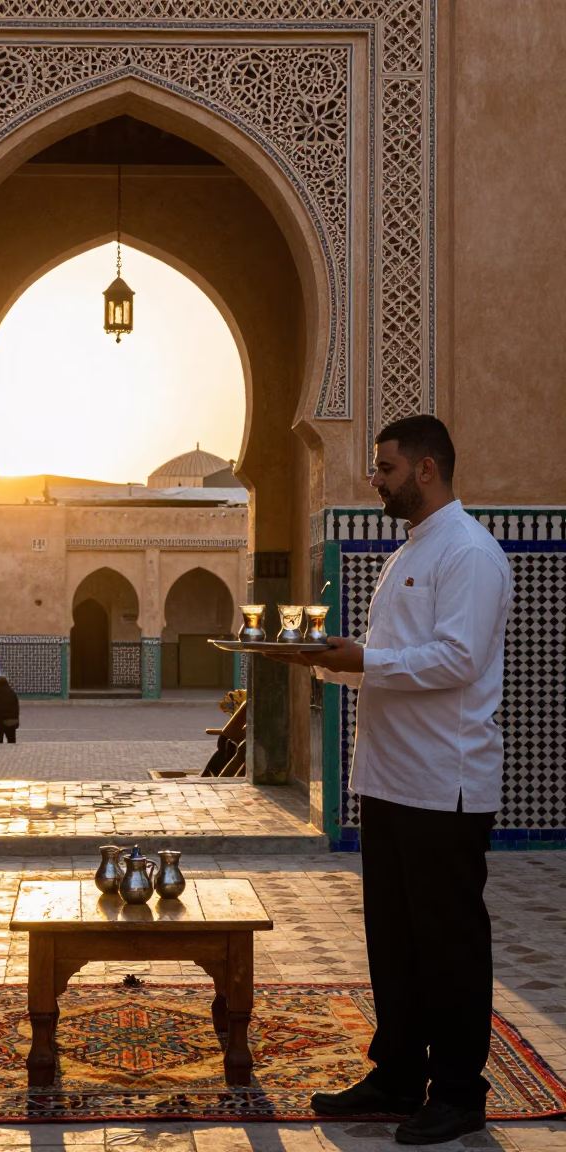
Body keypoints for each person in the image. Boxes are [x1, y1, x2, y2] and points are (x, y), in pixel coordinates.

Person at [267, 415, 512, 1146]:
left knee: (448, 942)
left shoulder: (468, 553)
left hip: (446, 783)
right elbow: (394, 656)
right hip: (393, 778)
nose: (375, 479)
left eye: (386, 467)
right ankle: (400, 1073)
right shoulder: (412, 550)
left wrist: (361, 661)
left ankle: (461, 1091)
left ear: (426, 469)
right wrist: (328, 659)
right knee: (395, 939)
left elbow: (457, 661)